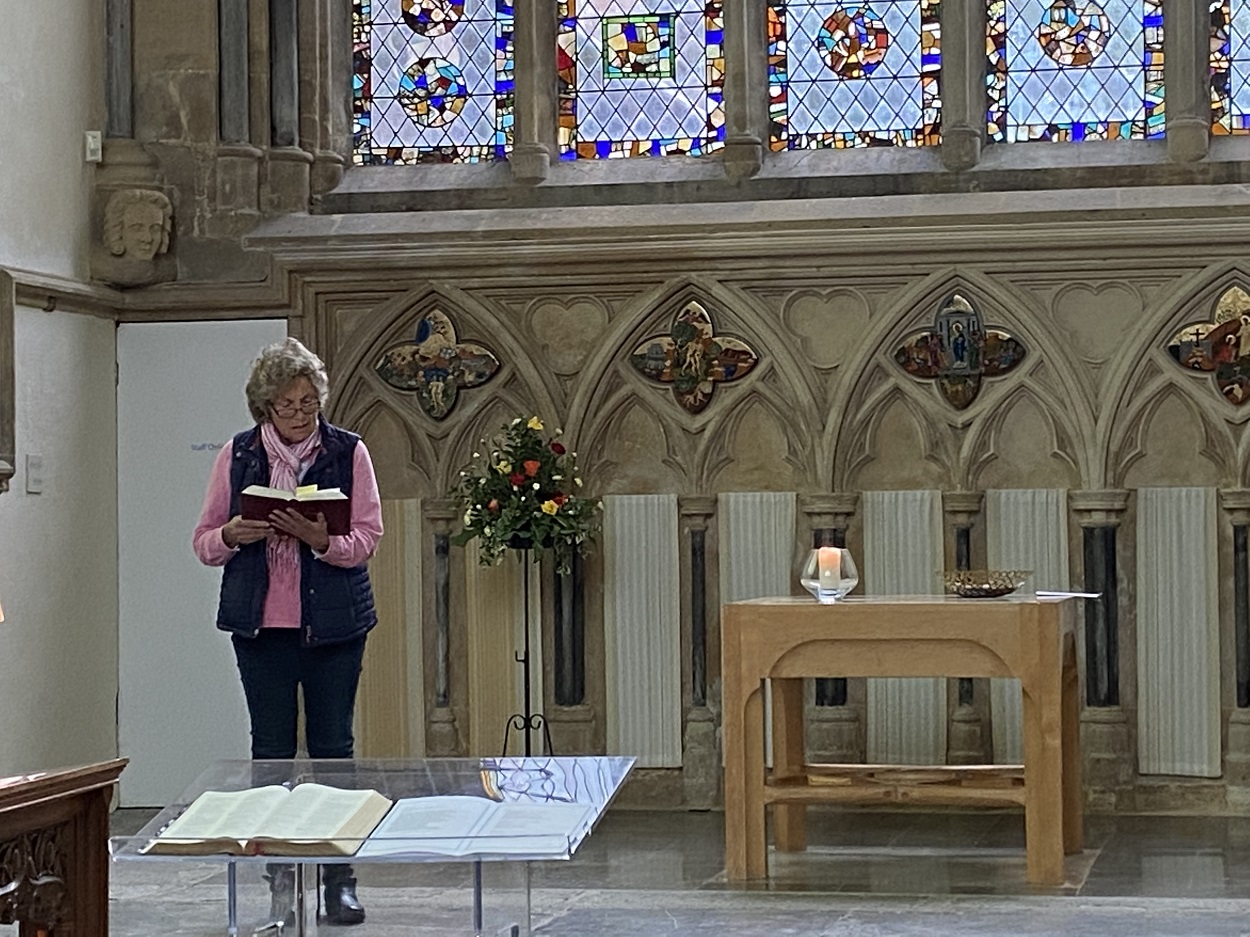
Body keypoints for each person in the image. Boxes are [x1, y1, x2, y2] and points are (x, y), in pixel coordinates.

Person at [193, 337, 384, 927]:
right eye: (288, 405)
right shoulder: (238, 454)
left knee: (333, 753)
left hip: (333, 626)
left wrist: (320, 538)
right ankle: (278, 877)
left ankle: (339, 881)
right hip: (261, 627)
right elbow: (203, 543)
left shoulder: (348, 452)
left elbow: (368, 539)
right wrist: (233, 535)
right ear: (264, 407)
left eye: (308, 402)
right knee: (271, 752)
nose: (301, 414)